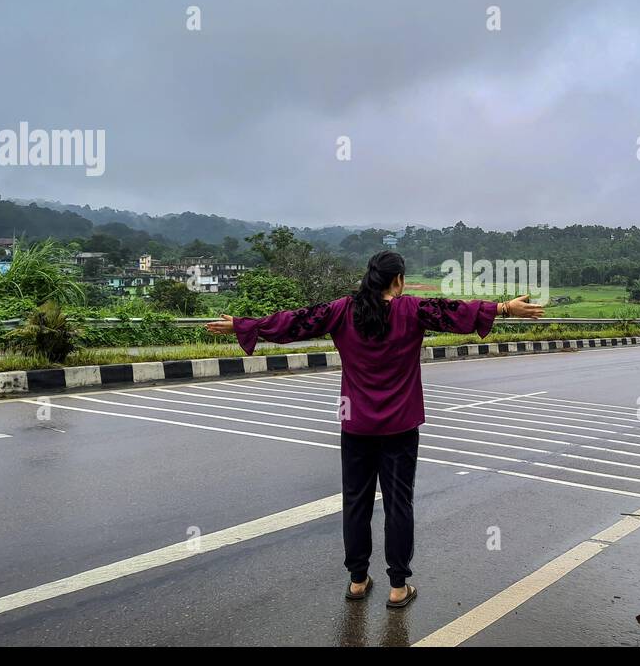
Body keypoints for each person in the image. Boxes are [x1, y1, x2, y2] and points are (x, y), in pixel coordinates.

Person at [206, 251, 544, 607]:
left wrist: (246, 325)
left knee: (356, 502)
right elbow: (458, 312)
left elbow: (295, 322)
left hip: (356, 425)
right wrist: (505, 308)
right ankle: (398, 587)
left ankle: (356, 581)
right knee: (399, 503)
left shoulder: (341, 310)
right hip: (400, 426)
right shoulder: (413, 309)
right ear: (398, 279)